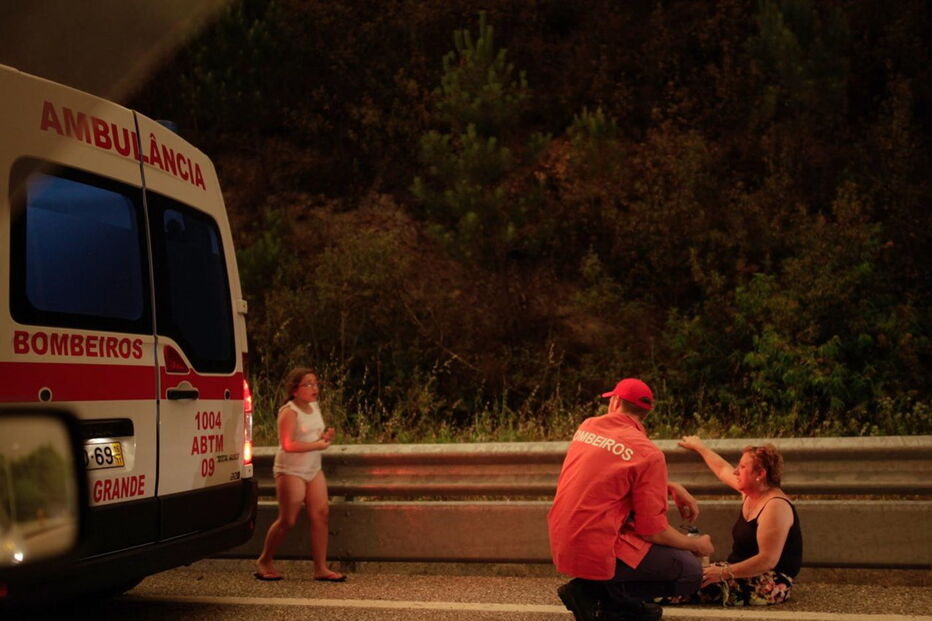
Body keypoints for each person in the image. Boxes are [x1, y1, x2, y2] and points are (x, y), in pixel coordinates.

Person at [548, 378, 714, 621]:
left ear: (615, 402)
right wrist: (696, 545)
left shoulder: (588, 428)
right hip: (594, 547)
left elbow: (606, 476)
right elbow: (653, 532)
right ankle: (591, 593)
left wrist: (668, 486)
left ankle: (616, 604)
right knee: (690, 572)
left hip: (562, 541)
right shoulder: (648, 454)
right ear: (646, 413)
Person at [670, 436, 803, 606]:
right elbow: (722, 469)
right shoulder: (751, 493)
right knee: (687, 573)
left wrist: (724, 572)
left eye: (742, 467)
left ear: (760, 474)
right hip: (738, 571)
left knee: (686, 587)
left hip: (770, 581)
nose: (736, 471)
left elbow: (767, 560)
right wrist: (700, 447)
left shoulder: (775, 506)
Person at [254, 367, 346, 582]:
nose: (314, 388)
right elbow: (288, 444)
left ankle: (321, 568)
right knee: (288, 520)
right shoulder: (289, 411)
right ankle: (265, 560)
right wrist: (317, 444)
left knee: (321, 514)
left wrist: (325, 436)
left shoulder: (314, 406)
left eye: (315, 383)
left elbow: (312, 436)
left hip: (313, 468)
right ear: (295, 390)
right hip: (290, 470)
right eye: (308, 384)